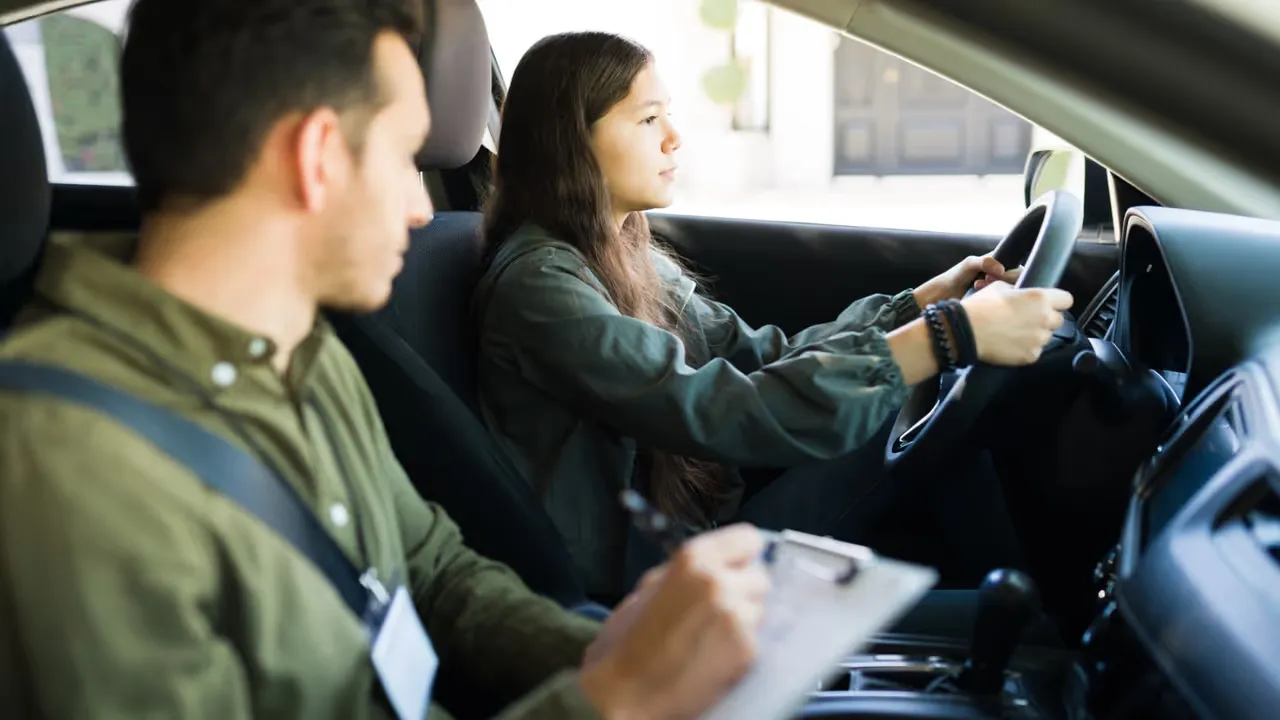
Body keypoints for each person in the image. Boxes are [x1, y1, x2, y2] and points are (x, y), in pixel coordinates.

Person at [0, 2, 772, 718]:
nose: (418, 204)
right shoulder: (69, 465)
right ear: (317, 157)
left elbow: (431, 567)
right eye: (406, 156)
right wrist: (612, 700)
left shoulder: (305, 350)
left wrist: (611, 650)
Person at [473, 31, 1075, 598]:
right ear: (571, 141)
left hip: (695, 528)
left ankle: (1025, 625)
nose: (674, 137)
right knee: (924, 416)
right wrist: (944, 339)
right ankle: (1035, 635)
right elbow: (716, 409)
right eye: (649, 118)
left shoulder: (626, 253)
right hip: (649, 578)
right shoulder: (542, 286)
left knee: (928, 413)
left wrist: (921, 305)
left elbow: (765, 356)